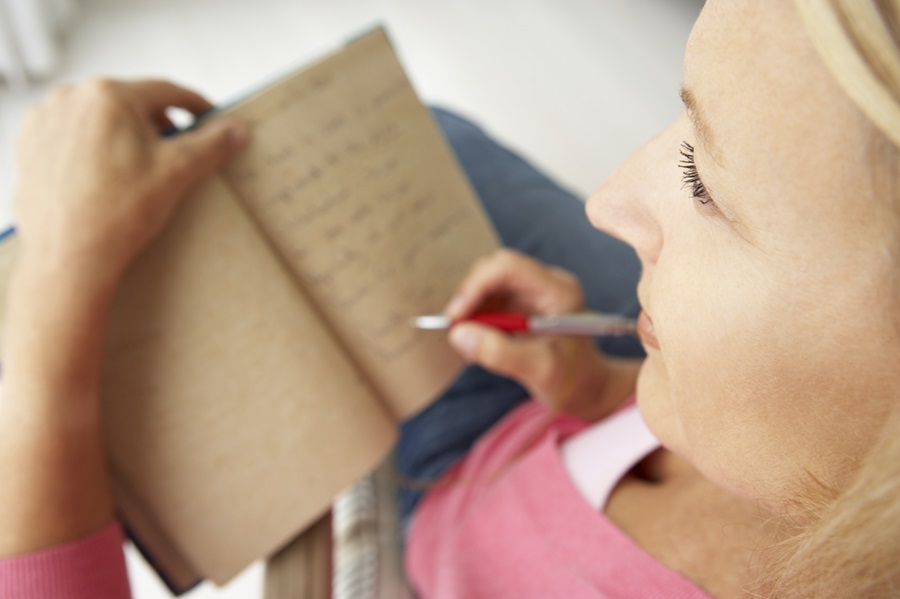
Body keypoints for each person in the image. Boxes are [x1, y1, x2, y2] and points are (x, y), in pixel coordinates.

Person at [1, 0, 899, 597]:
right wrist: (596, 391)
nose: (608, 195)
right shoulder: (818, 446)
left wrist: (57, 280)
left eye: (705, 181)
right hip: (539, 425)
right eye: (685, 120)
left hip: (418, 535)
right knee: (435, 137)